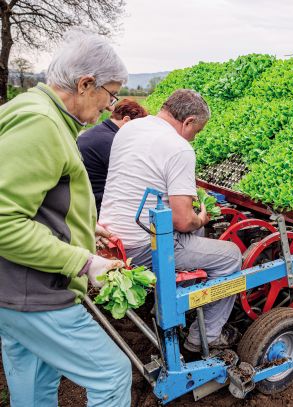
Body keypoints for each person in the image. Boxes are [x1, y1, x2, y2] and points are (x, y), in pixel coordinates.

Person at [0, 32, 133, 406]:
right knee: (111, 375)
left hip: (11, 292)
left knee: (35, 382)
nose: (110, 106)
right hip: (34, 290)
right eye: (110, 93)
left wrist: (82, 226)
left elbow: (31, 199)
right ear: (85, 84)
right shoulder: (40, 123)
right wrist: (84, 260)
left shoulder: (31, 109)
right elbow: (4, 222)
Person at [100, 89, 241, 353]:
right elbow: (183, 221)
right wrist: (201, 218)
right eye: (195, 131)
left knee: (195, 240)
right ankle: (205, 337)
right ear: (188, 121)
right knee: (230, 256)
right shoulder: (179, 148)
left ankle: (170, 303)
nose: (193, 137)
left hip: (110, 237)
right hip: (142, 248)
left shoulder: (129, 129)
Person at [78, 99, 148, 215]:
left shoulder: (96, 132)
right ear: (126, 120)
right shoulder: (114, 141)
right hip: (99, 209)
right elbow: (133, 180)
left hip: (84, 202)